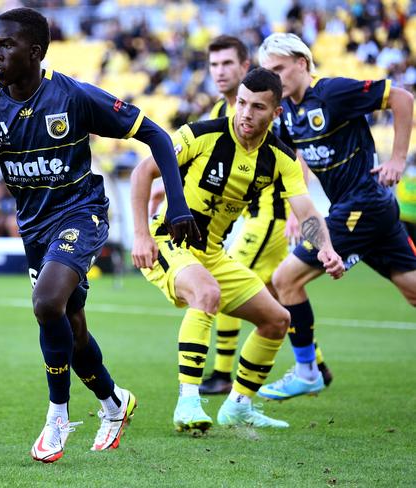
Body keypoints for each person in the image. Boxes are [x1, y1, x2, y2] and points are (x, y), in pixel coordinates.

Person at [0, 7, 199, 463]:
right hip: (36, 231)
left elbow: (157, 136)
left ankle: (58, 416)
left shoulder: (74, 97)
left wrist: (177, 205)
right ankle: (113, 403)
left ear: (35, 52)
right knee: (72, 329)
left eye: (7, 46)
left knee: (45, 303)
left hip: (82, 215)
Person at [131, 67, 344, 431]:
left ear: (276, 113)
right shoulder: (201, 134)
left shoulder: (281, 158)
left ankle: (238, 406)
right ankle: (188, 403)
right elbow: (142, 172)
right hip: (169, 240)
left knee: (277, 321)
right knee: (206, 292)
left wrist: (325, 247)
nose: (246, 113)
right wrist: (140, 236)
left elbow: (305, 208)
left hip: (212, 252)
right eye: (242, 103)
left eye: (258, 107)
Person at [257, 33, 416, 400]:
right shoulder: (289, 115)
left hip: (363, 203)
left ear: (302, 63)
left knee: (285, 279)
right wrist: (299, 212)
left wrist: (398, 159)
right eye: (268, 72)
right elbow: (297, 161)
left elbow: (402, 98)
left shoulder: (332, 93)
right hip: (368, 210)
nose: (274, 79)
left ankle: (307, 371)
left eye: (279, 69)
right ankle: (307, 369)